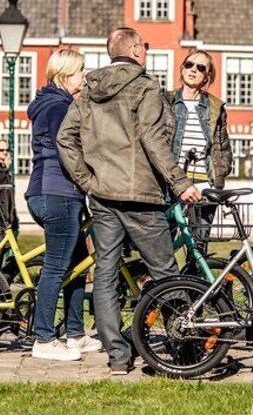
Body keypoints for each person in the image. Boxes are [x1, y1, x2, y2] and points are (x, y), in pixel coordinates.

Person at [58, 27, 201, 375]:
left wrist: (87, 181)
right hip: (141, 195)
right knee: (165, 271)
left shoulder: (90, 90)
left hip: (104, 195)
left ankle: (117, 356)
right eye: (146, 47)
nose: (147, 52)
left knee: (105, 272)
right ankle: (182, 344)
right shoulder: (145, 87)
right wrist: (180, 182)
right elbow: (152, 139)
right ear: (136, 49)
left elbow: (66, 138)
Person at [25, 49, 102, 361]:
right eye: (81, 71)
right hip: (56, 193)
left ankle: (75, 333)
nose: (85, 76)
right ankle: (43, 339)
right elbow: (68, 150)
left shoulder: (58, 103)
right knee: (56, 267)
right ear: (65, 75)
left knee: (78, 264)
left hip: (59, 193)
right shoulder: (58, 107)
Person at [166, 50, 232, 251]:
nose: (193, 70)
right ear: (182, 69)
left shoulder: (214, 106)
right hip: (171, 185)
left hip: (204, 187)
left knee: (198, 248)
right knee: (163, 247)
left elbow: (223, 148)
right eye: (189, 65)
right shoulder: (165, 101)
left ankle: (193, 281)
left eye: (200, 67)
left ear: (207, 76)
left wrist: (218, 175)